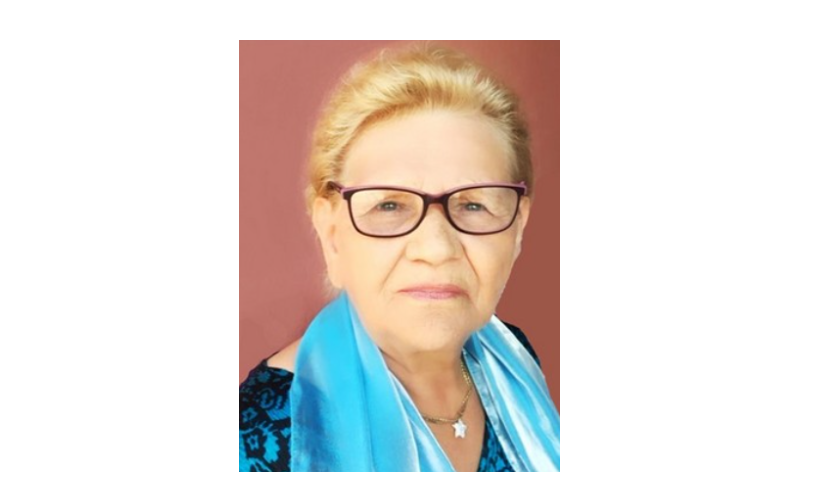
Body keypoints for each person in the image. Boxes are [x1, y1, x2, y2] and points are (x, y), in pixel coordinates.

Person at [239, 43, 560, 472]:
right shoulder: (256, 441)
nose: (436, 249)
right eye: (389, 205)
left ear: (517, 229)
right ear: (332, 236)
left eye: (473, 205)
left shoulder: (516, 357)